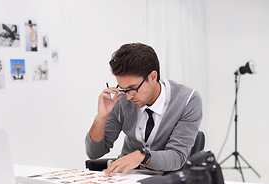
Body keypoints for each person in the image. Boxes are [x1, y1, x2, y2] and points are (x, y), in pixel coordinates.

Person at [85, 43, 202, 177]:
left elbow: (177, 157)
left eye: (133, 88)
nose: (128, 97)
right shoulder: (121, 99)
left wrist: (142, 156)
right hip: (126, 178)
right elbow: (94, 153)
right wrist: (101, 117)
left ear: (152, 77)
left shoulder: (187, 100)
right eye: (124, 89)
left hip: (166, 182)